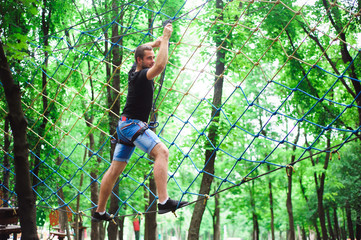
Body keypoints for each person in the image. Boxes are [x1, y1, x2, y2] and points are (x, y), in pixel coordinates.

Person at [92, 23, 188, 222]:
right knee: (162, 152)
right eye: (149, 58)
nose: (152, 61)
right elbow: (161, 66)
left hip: (125, 126)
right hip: (132, 125)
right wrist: (166, 38)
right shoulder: (142, 76)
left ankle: (100, 211)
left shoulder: (133, 71)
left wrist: (153, 43)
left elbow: (143, 50)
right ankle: (163, 202)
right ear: (140, 61)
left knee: (114, 170)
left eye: (153, 57)